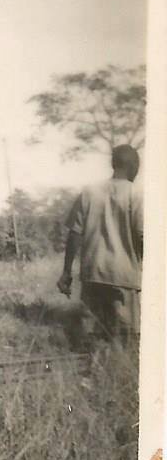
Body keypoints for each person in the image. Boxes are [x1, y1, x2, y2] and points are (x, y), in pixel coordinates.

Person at [57, 144, 143, 347]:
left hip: (92, 274)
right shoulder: (137, 194)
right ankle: (112, 375)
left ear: (113, 164)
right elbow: (143, 235)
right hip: (124, 278)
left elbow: (74, 234)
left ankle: (92, 374)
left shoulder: (89, 192)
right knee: (126, 339)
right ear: (133, 166)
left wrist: (66, 272)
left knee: (94, 338)